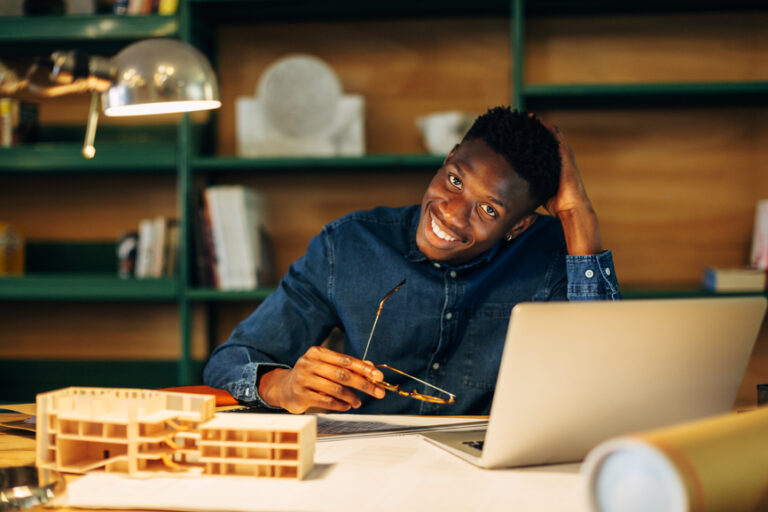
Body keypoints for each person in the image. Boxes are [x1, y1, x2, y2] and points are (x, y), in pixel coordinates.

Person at [204, 107, 620, 416]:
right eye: (455, 180)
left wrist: (576, 214)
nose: (453, 214)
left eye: (489, 210)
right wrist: (283, 386)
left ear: (519, 225)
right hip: (364, 473)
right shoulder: (348, 245)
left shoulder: (551, 254)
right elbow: (230, 362)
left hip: (489, 480)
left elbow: (603, 381)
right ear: (449, 156)